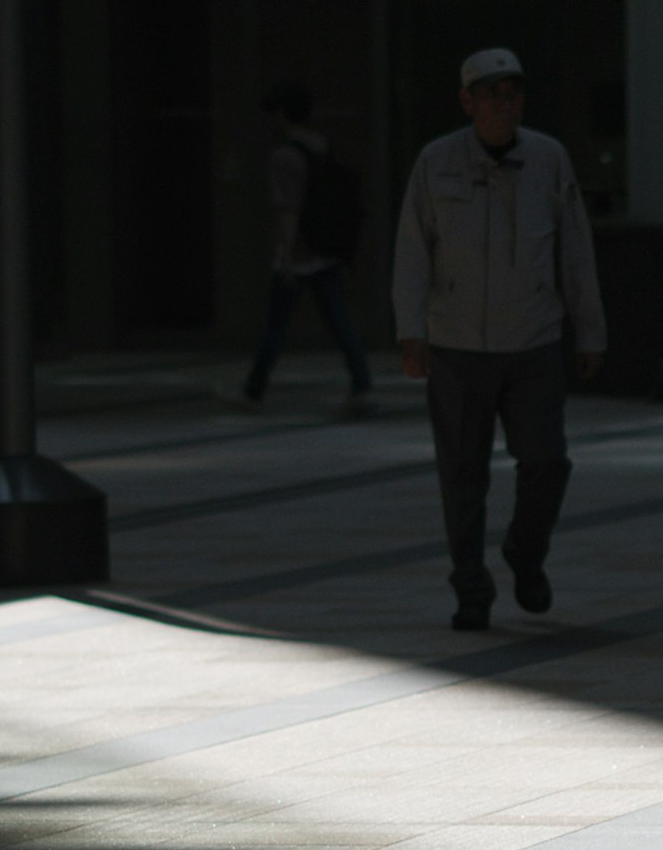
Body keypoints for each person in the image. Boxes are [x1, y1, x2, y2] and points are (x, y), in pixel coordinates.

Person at [392, 46, 608, 633]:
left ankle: (525, 550)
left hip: (534, 338)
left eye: (513, 91)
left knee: (546, 463)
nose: (505, 102)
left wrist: (590, 330)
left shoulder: (548, 159)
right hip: (458, 343)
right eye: (492, 92)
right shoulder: (437, 163)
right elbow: (413, 251)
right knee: (462, 472)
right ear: (467, 101)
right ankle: (470, 587)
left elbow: (575, 251)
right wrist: (411, 332)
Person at [235, 79, 373, 414]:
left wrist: (284, 255)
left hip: (300, 254)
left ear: (282, 114)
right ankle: (362, 388)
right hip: (329, 249)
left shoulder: (284, 155)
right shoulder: (323, 146)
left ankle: (253, 392)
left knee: (275, 327)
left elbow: (288, 210)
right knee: (339, 322)